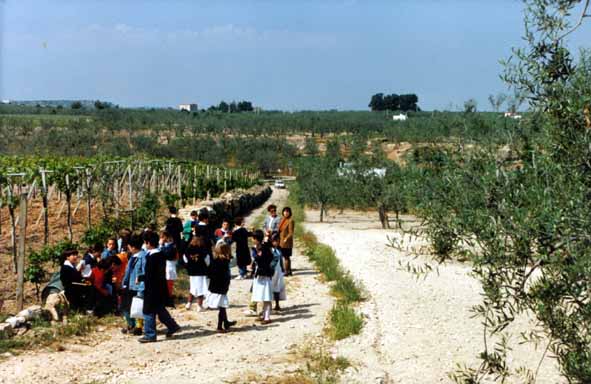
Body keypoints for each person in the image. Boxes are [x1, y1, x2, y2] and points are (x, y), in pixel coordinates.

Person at [138, 231, 181, 343]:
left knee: (148, 311)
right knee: (159, 309)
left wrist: (141, 278)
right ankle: (172, 326)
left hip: (152, 287)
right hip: (160, 286)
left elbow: (150, 274)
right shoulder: (160, 254)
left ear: (147, 243)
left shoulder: (152, 257)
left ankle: (150, 334)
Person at [206, 242, 236, 333]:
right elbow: (224, 276)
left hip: (215, 287)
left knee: (223, 306)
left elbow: (209, 273)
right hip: (220, 288)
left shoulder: (214, 261)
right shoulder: (223, 262)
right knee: (222, 307)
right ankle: (219, 326)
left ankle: (226, 322)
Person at [121, 234, 146, 336]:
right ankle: (131, 324)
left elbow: (144, 273)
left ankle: (138, 327)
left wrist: (142, 287)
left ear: (133, 247)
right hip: (129, 285)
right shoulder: (132, 257)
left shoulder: (143, 257)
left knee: (138, 306)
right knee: (127, 306)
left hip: (138, 286)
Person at [250, 230, 274, 324]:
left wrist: (256, 256)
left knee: (266, 296)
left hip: (265, 274)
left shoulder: (264, 248)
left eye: (253, 238)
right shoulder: (260, 247)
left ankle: (267, 317)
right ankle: (264, 314)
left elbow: (262, 259)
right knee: (262, 295)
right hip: (260, 273)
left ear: (256, 239)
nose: (252, 240)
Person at [59, 249, 93, 313]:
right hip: (72, 289)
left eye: (76, 255)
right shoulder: (66, 267)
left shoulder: (71, 266)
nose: (75, 257)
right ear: (67, 257)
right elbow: (70, 280)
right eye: (73, 255)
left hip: (76, 287)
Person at [183, 235, 211, 311]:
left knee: (193, 287)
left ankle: (188, 304)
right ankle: (199, 306)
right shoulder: (203, 250)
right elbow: (207, 261)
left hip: (192, 271)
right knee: (201, 289)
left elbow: (185, 259)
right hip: (200, 271)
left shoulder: (188, 249)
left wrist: (190, 264)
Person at [270, 233, 287, 311]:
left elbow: (281, 259)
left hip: (278, 270)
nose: (276, 243)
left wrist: (283, 269)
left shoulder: (279, 249)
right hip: (271, 271)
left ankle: (277, 304)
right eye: (274, 241)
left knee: (277, 287)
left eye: (277, 241)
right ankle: (268, 305)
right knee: (270, 288)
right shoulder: (269, 250)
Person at [160, 231, 178, 299]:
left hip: (169, 266)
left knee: (169, 282)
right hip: (165, 266)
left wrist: (161, 246)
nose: (161, 239)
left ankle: (168, 296)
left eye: (162, 237)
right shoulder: (166, 245)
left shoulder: (172, 246)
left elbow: (167, 255)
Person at [278, 207, 295, 276]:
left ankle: (286, 271)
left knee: (286, 257)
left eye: (287, 211)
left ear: (290, 213)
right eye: (284, 211)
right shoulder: (282, 220)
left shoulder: (291, 221)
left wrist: (286, 239)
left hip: (286, 242)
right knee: (284, 256)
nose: (286, 213)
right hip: (281, 241)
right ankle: (289, 271)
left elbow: (291, 232)